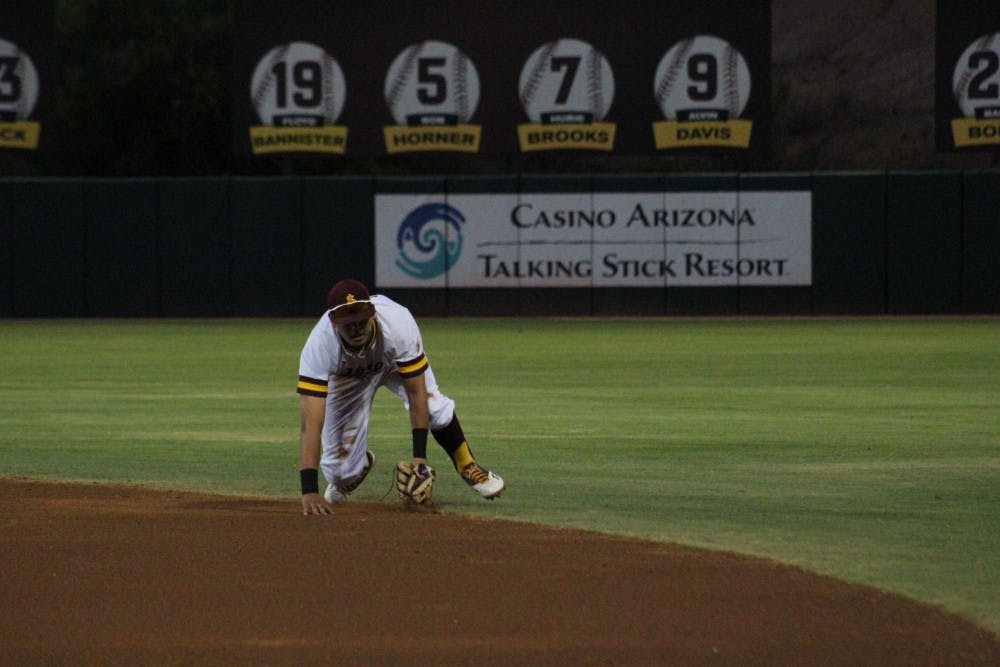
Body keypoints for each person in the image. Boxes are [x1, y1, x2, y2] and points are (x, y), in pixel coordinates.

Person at [297, 278, 505, 514]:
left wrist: (420, 460)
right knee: (338, 473)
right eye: (348, 323)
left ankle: (468, 465)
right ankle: (360, 464)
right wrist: (309, 490)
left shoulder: (397, 323)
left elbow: (417, 393)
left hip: (392, 360)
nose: (355, 328)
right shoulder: (319, 346)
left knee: (434, 406)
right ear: (334, 324)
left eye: (360, 320)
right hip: (348, 376)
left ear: (373, 314)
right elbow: (310, 424)